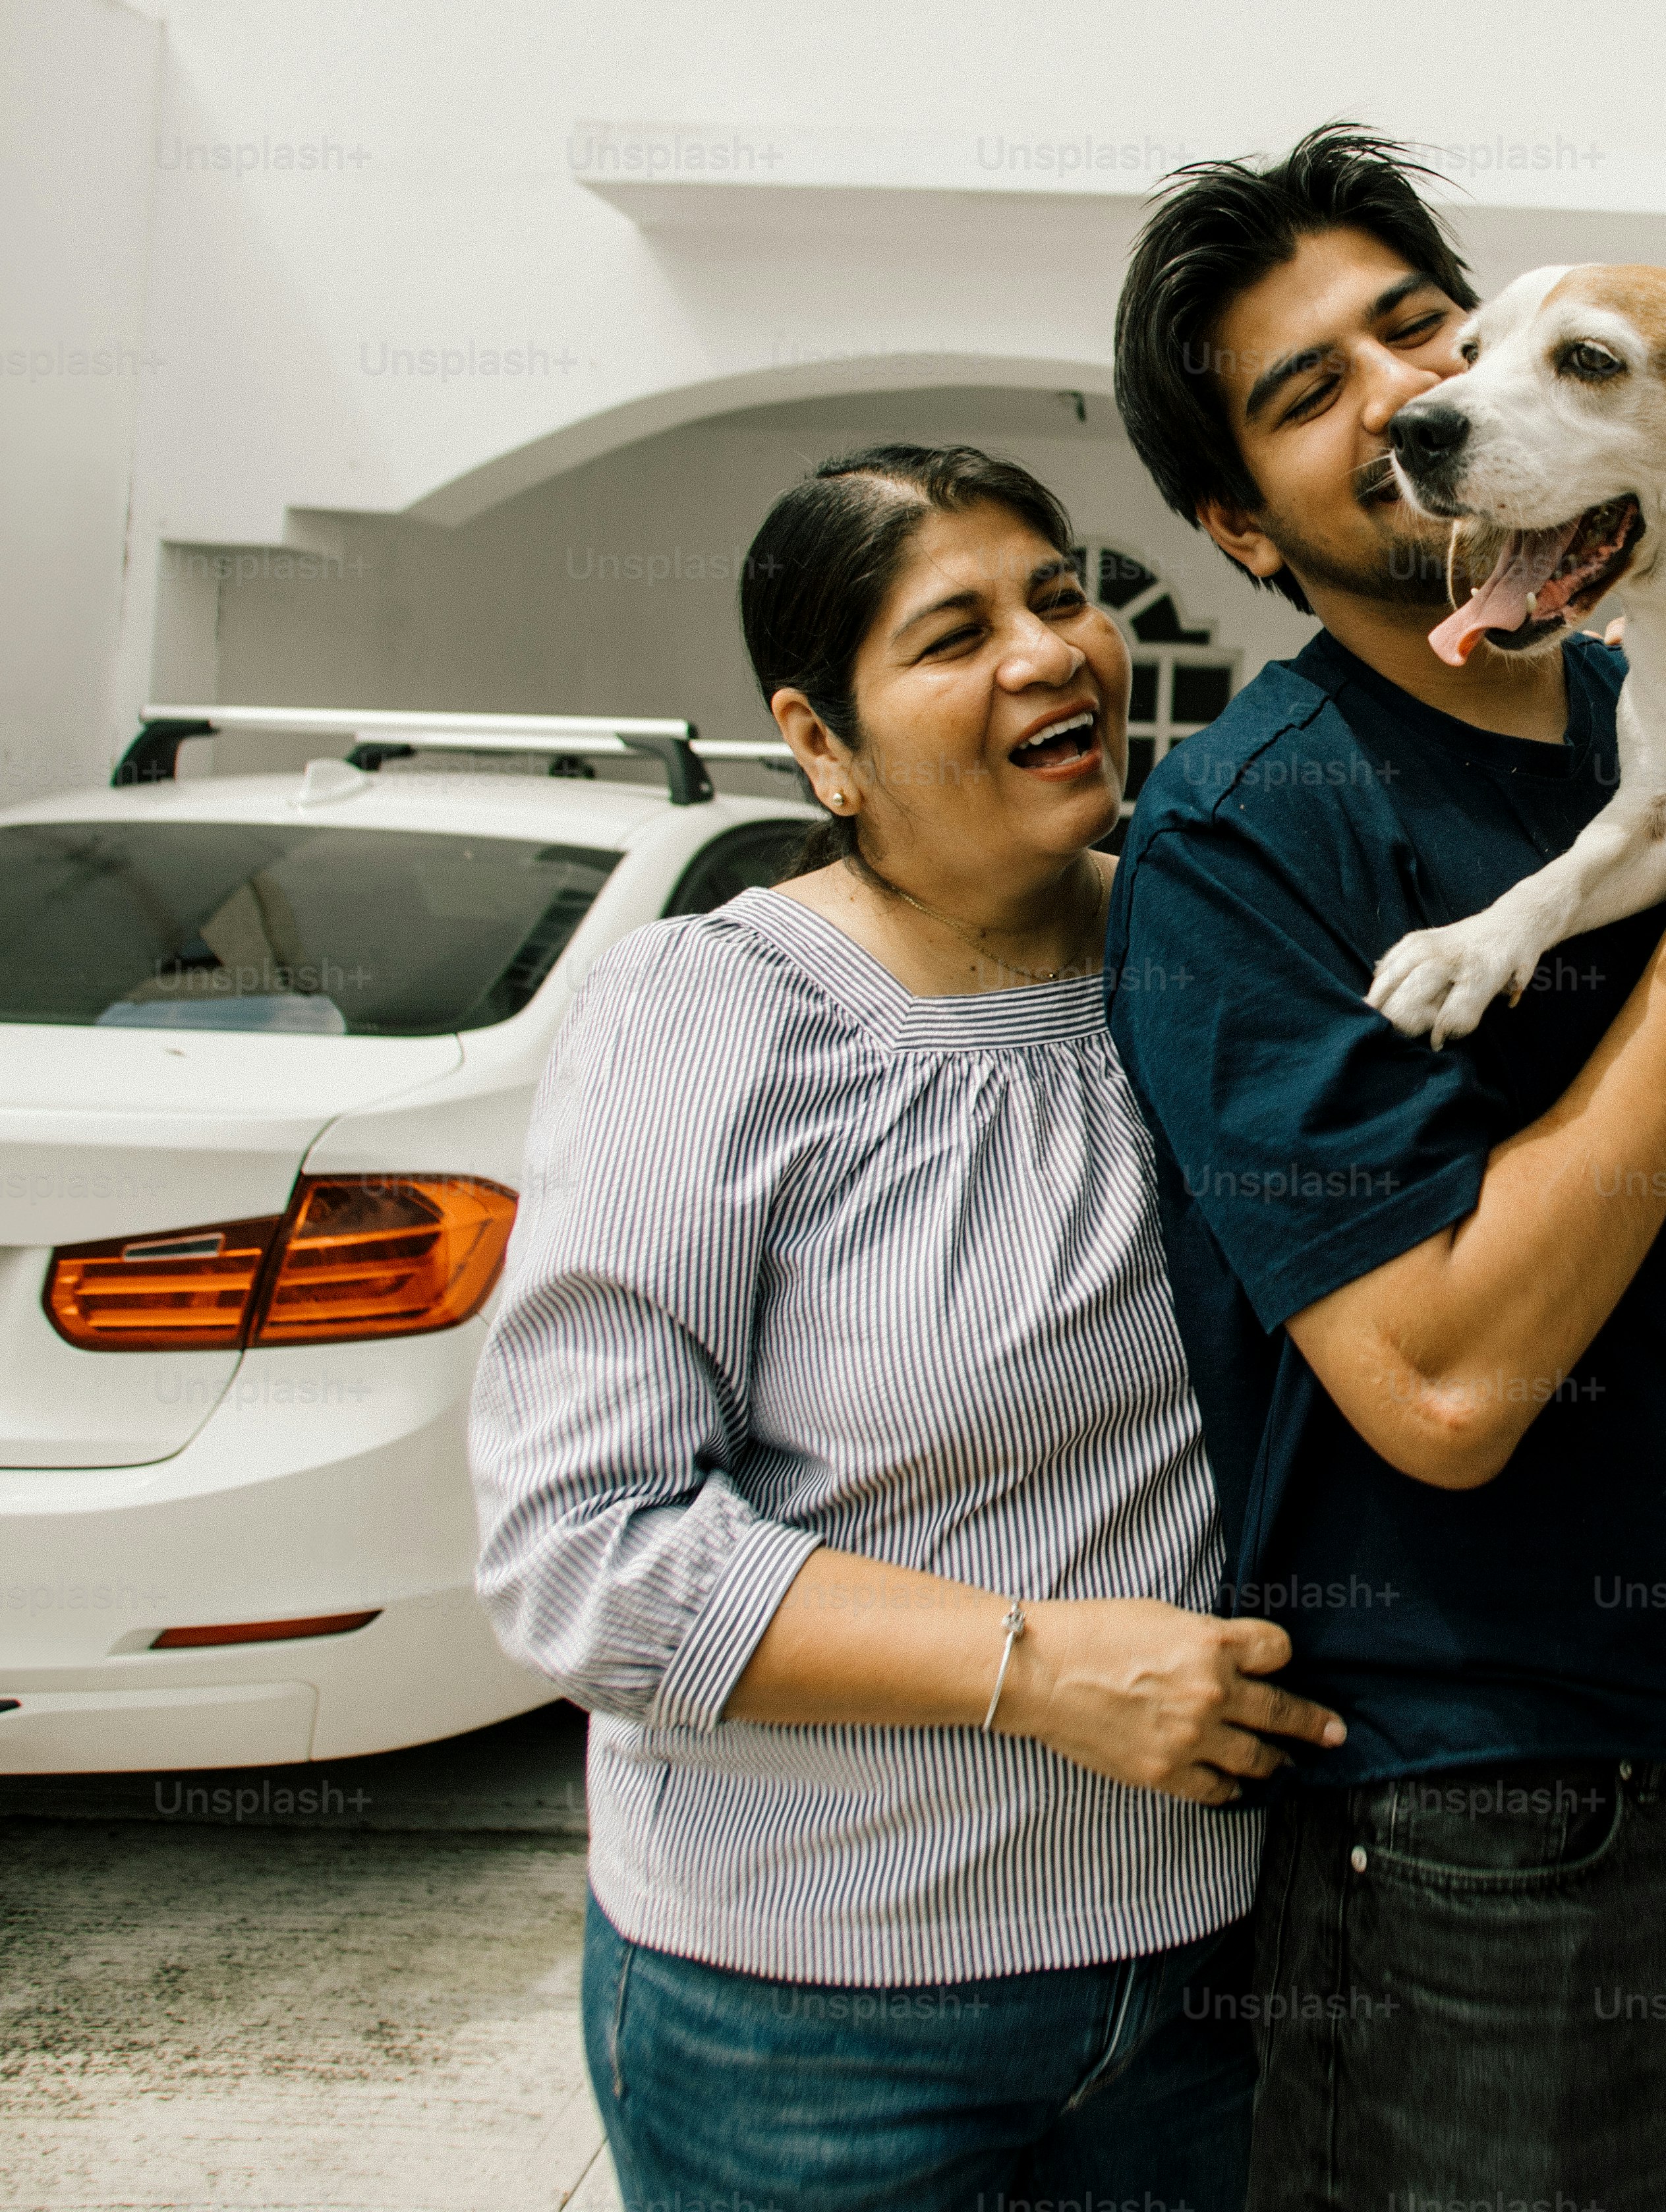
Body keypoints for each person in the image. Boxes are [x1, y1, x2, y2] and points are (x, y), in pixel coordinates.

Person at [1099, 125, 1666, 2211]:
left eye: (1423, 330)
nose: (1409, 397)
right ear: (1239, 528)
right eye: (1311, 397)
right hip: (1485, 1839)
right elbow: (1445, 1386)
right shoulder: (1250, 840)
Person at [469, 445, 1342, 2212]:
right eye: (956, 633)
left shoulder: (1222, 953)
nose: (1048, 654)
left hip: (1217, 1976)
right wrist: (1037, 1667)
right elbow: (579, 1550)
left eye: (1060, 594)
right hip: (810, 2017)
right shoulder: (714, 1017)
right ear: (821, 745)